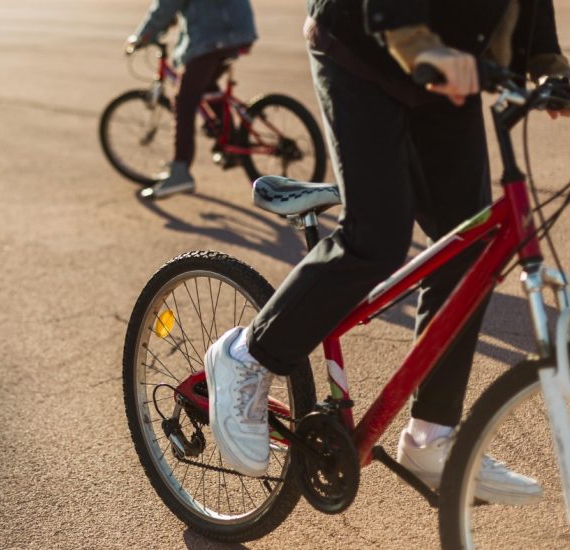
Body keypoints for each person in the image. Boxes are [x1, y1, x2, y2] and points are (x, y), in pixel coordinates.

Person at [204, 0, 570, 503]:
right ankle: (244, 356)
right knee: (376, 239)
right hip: (364, 50)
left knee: (469, 248)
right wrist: (412, 41)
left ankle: (432, 438)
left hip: (445, 67)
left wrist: (545, 59)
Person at [127, 0, 257, 199]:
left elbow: (165, 7)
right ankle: (230, 143)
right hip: (239, 29)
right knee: (206, 85)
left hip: (213, 36)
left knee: (184, 100)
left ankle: (180, 171)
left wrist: (143, 36)